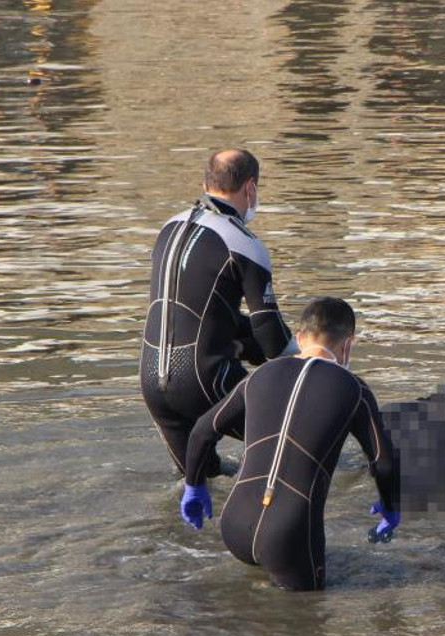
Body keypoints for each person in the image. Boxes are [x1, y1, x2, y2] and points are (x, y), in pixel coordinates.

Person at [178, 297, 400, 591]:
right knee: (306, 624)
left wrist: (194, 487)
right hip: (289, 532)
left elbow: (201, 432)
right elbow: (383, 462)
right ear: (347, 345)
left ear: (298, 338)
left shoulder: (259, 376)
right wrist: (390, 506)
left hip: (234, 524)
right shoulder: (353, 388)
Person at [140, 149, 295, 479]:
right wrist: (310, 361)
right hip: (205, 379)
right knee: (296, 440)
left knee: (199, 483)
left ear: (205, 182)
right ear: (250, 188)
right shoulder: (244, 243)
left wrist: (240, 343)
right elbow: (272, 342)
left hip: (152, 382)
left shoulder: (168, 227)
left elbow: (200, 313)